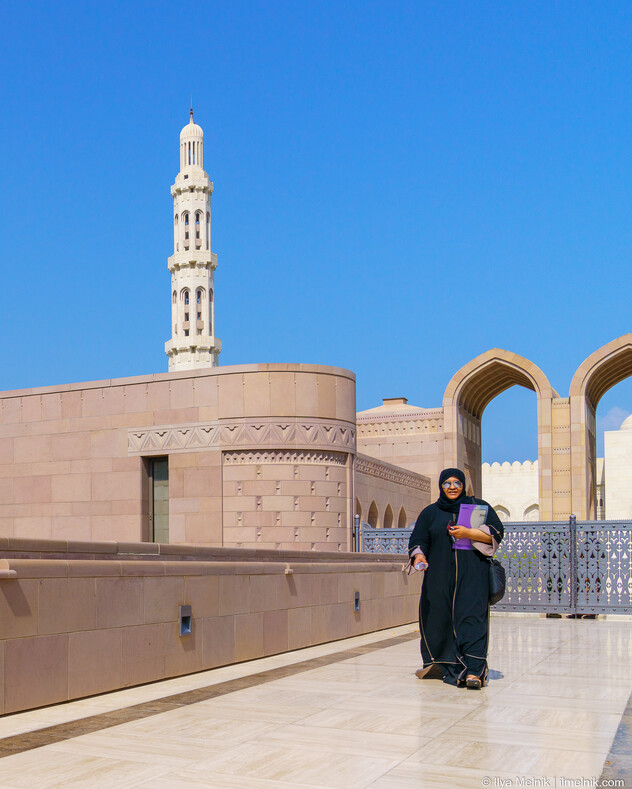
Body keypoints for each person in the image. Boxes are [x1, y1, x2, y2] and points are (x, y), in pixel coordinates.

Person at [408, 467, 503, 689]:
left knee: (472, 619)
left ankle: (474, 670)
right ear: (441, 486)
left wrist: (467, 533)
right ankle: (440, 664)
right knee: (438, 617)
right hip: (438, 577)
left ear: (463, 485)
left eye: (457, 483)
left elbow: (497, 532)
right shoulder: (430, 512)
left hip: (472, 576)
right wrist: (419, 555)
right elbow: (419, 539)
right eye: (447, 483)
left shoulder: (479, 507)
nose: (452, 487)